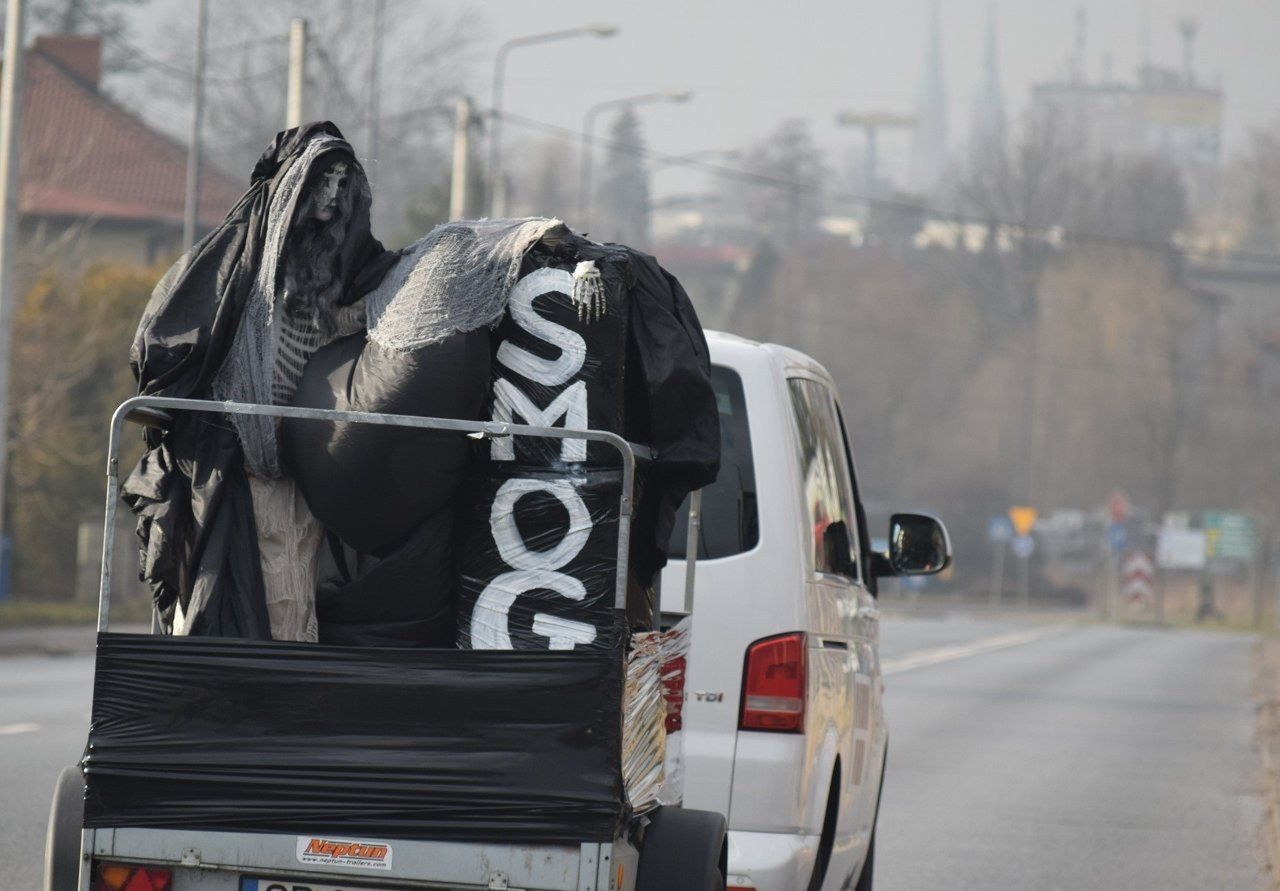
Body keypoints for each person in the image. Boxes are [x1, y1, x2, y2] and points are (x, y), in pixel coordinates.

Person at [124, 123, 395, 639]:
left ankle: (285, 694)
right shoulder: (235, 260)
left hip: (306, 464)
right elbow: (175, 331)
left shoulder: (349, 268)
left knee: (298, 586)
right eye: (323, 181)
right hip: (231, 466)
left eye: (343, 183)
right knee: (229, 590)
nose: (333, 195)